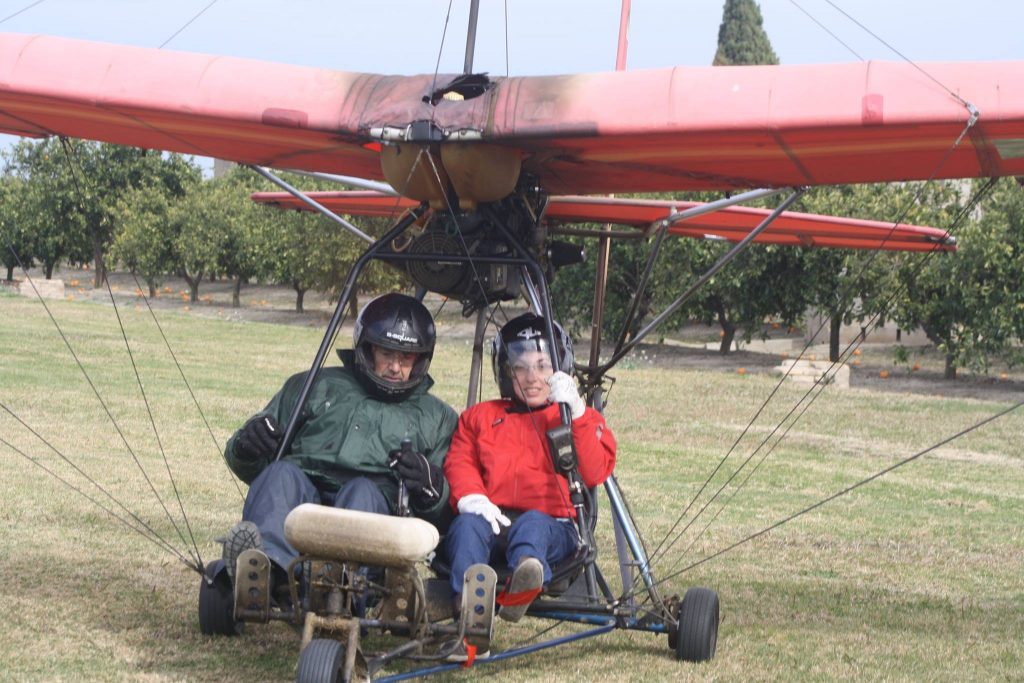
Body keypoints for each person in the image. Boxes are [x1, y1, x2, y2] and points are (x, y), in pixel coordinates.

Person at [215, 293, 458, 596]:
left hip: (374, 501)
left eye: (406, 358)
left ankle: (341, 583)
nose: (395, 367)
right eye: (386, 353)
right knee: (279, 475)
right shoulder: (311, 385)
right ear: (367, 350)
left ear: (421, 359)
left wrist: (430, 486)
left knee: (362, 492)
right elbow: (251, 465)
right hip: (302, 490)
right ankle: (265, 571)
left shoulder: (438, 417)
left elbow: (447, 514)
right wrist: (247, 446)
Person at [443, 312, 616, 628]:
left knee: (532, 525)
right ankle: (469, 612)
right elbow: (460, 462)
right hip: (493, 518)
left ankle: (523, 583)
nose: (532, 377)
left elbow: (593, 472)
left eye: (542, 366)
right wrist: (472, 498)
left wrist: (577, 414)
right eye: (520, 368)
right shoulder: (480, 417)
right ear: (506, 372)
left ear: (559, 368)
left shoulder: (573, 416)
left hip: (552, 526)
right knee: (467, 526)